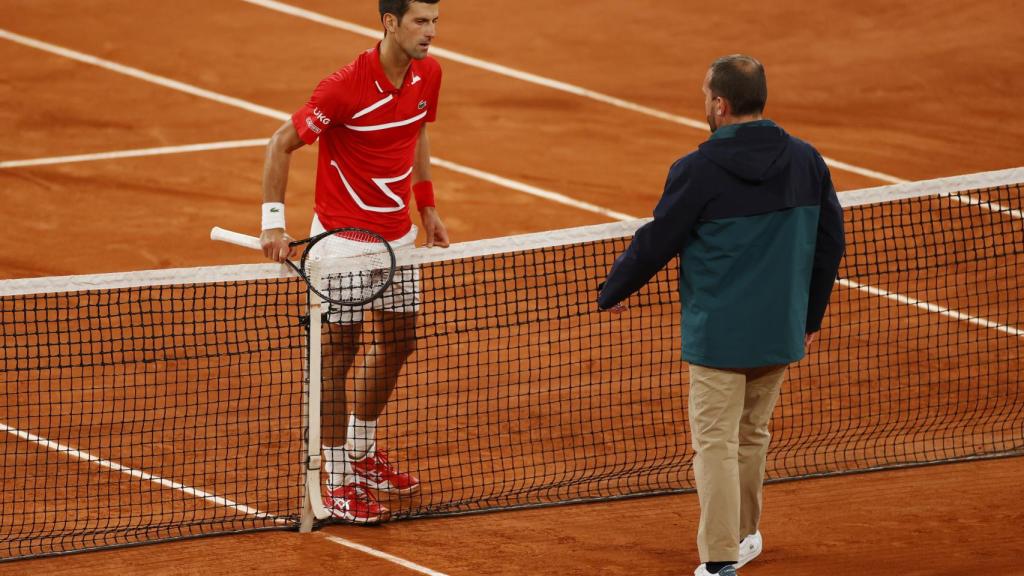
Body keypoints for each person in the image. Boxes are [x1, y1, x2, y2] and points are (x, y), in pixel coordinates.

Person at [598, 55, 845, 576]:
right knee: (753, 436)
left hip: (720, 338)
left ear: (720, 104)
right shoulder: (807, 160)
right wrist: (808, 315)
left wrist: (612, 289)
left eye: (704, 97)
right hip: (779, 329)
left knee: (714, 443)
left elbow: (656, 242)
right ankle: (745, 534)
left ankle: (719, 560)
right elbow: (830, 243)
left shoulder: (697, 170)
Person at [259, 0, 449, 524]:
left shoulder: (427, 74)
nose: (430, 32)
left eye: (435, 21)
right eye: (420, 21)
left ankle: (362, 452)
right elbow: (280, 143)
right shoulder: (342, 87)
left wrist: (427, 206)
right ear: (390, 22)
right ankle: (337, 478)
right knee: (336, 355)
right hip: (341, 243)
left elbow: (418, 133)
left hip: (397, 238)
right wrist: (273, 223)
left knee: (400, 340)